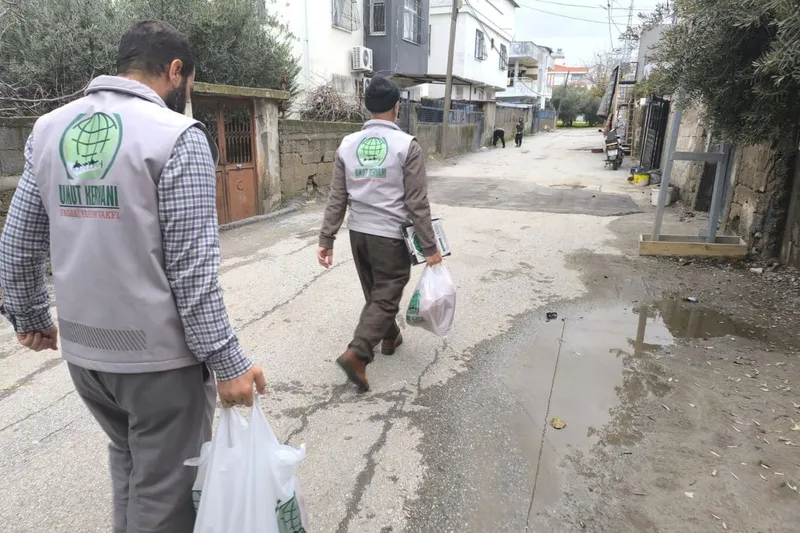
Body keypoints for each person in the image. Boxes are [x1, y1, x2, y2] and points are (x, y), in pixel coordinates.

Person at [0, 20, 266, 533]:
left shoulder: (50, 129)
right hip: (158, 366)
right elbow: (193, 274)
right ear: (174, 72)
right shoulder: (177, 137)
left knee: (130, 468)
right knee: (165, 498)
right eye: (187, 82)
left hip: (85, 357)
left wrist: (31, 315)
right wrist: (229, 363)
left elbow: (17, 242)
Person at [317, 76, 441, 392]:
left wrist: (327, 238)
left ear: (366, 107)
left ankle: (389, 337)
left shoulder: (347, 145)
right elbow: (416, 202)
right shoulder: (407, 145)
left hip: (357, 233)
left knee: (377, 293)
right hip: (389, 237)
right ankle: (358, 353)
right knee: (387, 293)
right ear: (396, 108)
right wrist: (431, 247)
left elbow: (337, 196)